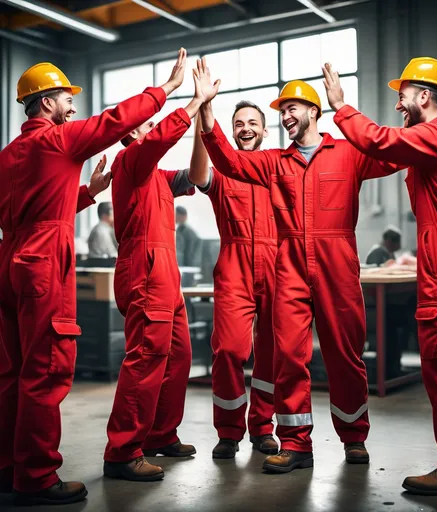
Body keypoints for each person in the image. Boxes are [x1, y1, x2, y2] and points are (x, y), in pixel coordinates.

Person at [197, 57, 400, 473]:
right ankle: (295, 443)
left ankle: (354, 437)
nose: (287, 114)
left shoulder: (348, 154)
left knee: (345, 354)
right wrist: (206, 110)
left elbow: (394, 153)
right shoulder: (274, 161)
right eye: (282, 110)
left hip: (337, 264)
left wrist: (345, 108)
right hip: (288, 265)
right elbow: (229, 161)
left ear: (314, 111)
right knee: (289, 356)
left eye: (293, 107)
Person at [0, 57, 188, 506]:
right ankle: (38, 478)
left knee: (10, 371)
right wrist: (168, 89)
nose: (72, 106)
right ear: (47, 102)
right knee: (46, 369)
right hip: (44, 262)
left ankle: (8, 468)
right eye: (67, 97)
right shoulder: (59, 140)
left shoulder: (9, 154)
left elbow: (34, 210)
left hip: (10, 257)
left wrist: (88, 193)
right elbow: (115, 120)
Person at [324, 56, 437, 495]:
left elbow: (379, 141)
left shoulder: (435, 136)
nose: (399, 104)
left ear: (425, 95)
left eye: (403, 95)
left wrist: (340, 106)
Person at [103, 48, 213, 482]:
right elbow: (158, 139)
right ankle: (122, 451)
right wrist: (188, 102)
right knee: (146, 358)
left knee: (179, 356)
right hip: (144, 270)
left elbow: (198, 175)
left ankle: (160, 434)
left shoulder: (160, 178)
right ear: (131, 134)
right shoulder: (130, 163)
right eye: (146, 122)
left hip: (166, 275)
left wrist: (203, 118)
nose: (151, 125)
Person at [193, 102, 278, 459]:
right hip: (234, 265)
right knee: (228, 349)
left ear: (264, 130)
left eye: (252, 123)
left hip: (277, 264)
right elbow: (198, 176)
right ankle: (228, 431)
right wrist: (202, 117)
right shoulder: (222, 172)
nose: (245, 127)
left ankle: (262, 427)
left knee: (273, 352)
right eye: (238, 122)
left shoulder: (277, 167)